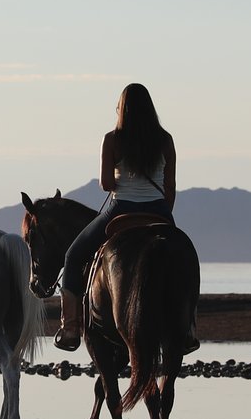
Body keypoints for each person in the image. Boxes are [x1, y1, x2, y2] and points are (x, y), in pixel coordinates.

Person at [56, 83, 176, 351]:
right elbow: (170, 187)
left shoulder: (112, 139)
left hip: (121, 209)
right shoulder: (165, 139)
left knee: (73, 257)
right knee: (181, 258)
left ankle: (71, 328)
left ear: (121, 109)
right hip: (158, 211)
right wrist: (162, 213)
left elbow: (107, 184)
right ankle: (186, 327)